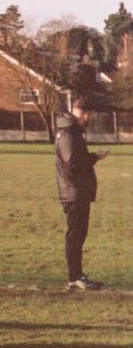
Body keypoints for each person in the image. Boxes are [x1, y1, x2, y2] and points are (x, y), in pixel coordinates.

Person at [55, 99, 108, 291]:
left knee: (78, 235)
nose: (89, 119)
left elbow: (75, 161)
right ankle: (74, 276)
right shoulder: (69, 135)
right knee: (75, 235)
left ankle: (77, 274)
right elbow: (72, 165)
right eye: (88, 115)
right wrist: (93, 158)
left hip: (77, 192)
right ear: (82, 114)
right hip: (74, 192)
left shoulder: (72, 133)